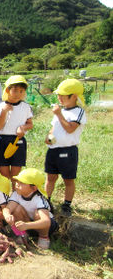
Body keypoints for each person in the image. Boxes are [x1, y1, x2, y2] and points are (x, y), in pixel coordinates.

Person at [44, 79, 87, 217]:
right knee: (50, 177)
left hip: (68, 151)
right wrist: (48, 137)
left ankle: (67, 204)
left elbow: (70, 129)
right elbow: (53, 128)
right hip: (53, 150)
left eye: (62, 95)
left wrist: (58, 114)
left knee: (68, 179)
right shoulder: (61, 111)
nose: (59, 98)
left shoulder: (78, 112)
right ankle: (47, 201)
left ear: (74, 96)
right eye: (59, 95)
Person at [3, 168, 58, 249]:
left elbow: (46, 222)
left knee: (38, 214)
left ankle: (44, 237)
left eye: (22, 183)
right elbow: (7, 209)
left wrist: (27, 225)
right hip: (26, 225)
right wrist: (7, 215)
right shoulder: (16, 194)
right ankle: (23, 234)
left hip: (45, 227)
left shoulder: (39, 199)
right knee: (16, 210)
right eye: (17, 181)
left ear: (34, 188)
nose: (17, 184)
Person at [0, 75, 33, 179]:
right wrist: (4, 112)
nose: (18, 94)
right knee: (4, 173)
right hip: (2, 140)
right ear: (7, 90)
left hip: (18, 140)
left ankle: (15, 193)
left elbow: (30, 124)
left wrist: (23, 128)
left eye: (21, 91)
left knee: (16, 174)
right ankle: (6, 194)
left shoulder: (26, 107)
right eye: (15, 90)